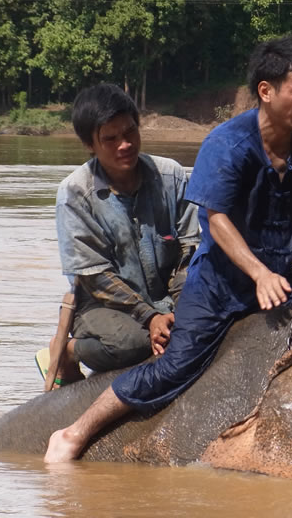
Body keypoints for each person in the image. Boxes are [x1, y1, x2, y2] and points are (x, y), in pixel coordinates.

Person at [44, 35, 292, 462]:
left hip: (279, 276)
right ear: (266, 91)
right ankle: (73, 434)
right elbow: (216, 219)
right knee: (173, 368)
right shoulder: (227, 144)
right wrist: (258, 274)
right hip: (218, 285)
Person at [42, 83, 200, 388]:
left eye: (129, 133)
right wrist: (150, 317)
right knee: (132, 345)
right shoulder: (75, 193)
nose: (124, 144)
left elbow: (189, 253)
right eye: (110, 139)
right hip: (101, 305)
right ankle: (69, 352)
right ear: (90, 145)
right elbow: (96, 277)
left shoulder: (172, 176)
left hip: (165, 298)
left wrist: (182, 312)